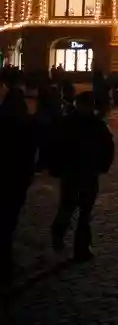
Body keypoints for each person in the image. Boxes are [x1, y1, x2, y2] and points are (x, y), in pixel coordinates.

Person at [49, 92, 114, 262]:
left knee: (84, 211)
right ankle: (60, 233)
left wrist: (102, 166)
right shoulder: (69, 124)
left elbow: (108, 148)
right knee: (68, 207)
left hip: (87, 173)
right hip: (73, 172)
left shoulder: (95, 125)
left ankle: (81, 247)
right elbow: (55, 147)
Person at [0, 86, 38, 280]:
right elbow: (30, 152)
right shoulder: (26, 124)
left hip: (6, 175)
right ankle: (6, 261)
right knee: (9, 218)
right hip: (17, 177)